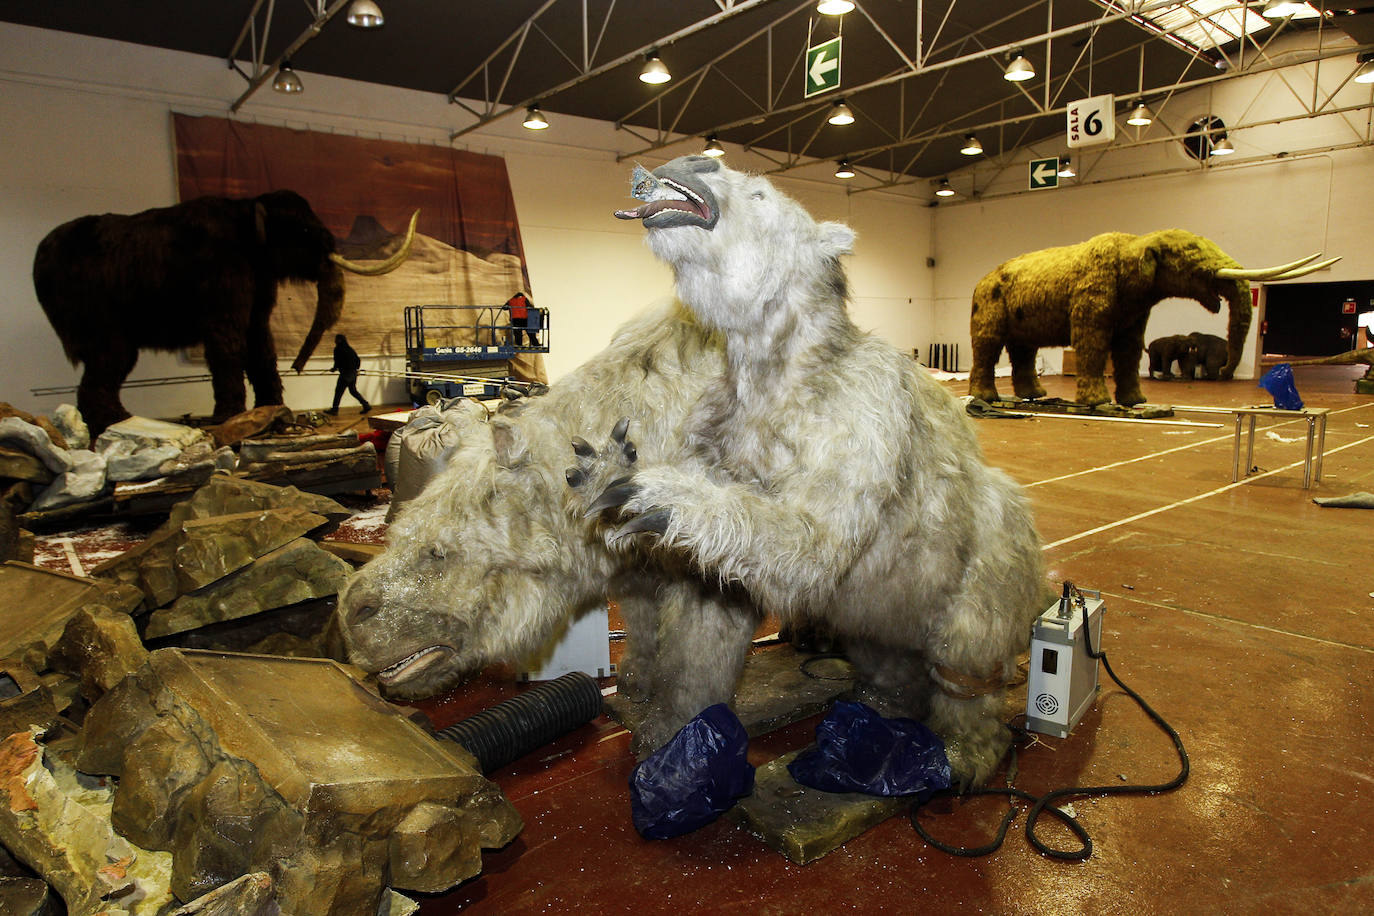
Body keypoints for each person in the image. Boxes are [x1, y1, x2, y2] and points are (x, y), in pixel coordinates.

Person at [327, 333, 370, 415]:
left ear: (339, 340)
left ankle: (334, 409)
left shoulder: (338, 349)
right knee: (353, 391)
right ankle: (366, 405)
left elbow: (337, 361)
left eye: (336, 339)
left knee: (338, 392)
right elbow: (358, 360)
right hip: (353, 373)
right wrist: (355, 369)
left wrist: (334, 368)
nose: (335, 341)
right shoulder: (350, 349)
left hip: (345, 374)